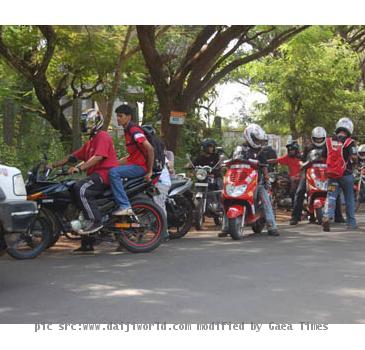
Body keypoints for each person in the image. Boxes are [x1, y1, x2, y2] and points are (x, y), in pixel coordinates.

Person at [47, 109, 119, 252]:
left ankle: (95, 221)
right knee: (73, 192)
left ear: (95, 122)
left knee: (81, 188)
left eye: (87, 122)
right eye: (83, 123)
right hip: (95, 176)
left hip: (104, 175)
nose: (85, 125)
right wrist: (52, 165)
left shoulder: (102, 136)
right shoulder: (91, 141)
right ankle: (87, 243)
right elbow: (73, 157)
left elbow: (98, 157)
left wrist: (79, 169)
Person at [221, 123, 279, 237]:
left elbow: (264, 167)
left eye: (259, 141)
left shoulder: (260, 152)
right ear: (249, 137)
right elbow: (233, 162)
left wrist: (266, 178)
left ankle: (272, 226)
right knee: (225, 198)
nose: (258, 143)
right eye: (256, 140)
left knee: (265, 198)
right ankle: (225, 227)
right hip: (238, 181)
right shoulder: (239, 149)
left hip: (256, 182)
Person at [290, 126, 344, 225]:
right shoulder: (308, 147)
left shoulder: (328, 146)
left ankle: (338, 216)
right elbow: (301, 161)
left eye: (320, 138)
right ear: (312, 138)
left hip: (327, 171)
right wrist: (302, 165)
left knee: (334, 190)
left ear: (324, 137)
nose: (319, 140)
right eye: (316, 139)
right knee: (299, 191)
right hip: (310, 171)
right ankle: (295, 217)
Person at [109, 104, 155, 216]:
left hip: (140, 167)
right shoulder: (127, 130)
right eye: (117, 116)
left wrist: (149, 171)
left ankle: (125, 206)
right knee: (111, 168)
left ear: (129, 117)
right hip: (134, 164)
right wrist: (111, 163)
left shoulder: (134, 130)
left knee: (113, 173)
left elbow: (149, 148)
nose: (118, 119)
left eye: (121, 116)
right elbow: (131, 157)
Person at [322, 117, 358, 231]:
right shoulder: (350, 142)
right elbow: (354, 157)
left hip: (332, 175)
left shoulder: (328, 141)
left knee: (331, 196)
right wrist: (354, 165)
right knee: (349, 199)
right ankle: (351, 223)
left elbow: (323, 157)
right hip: (346, 175)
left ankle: (327, 216)